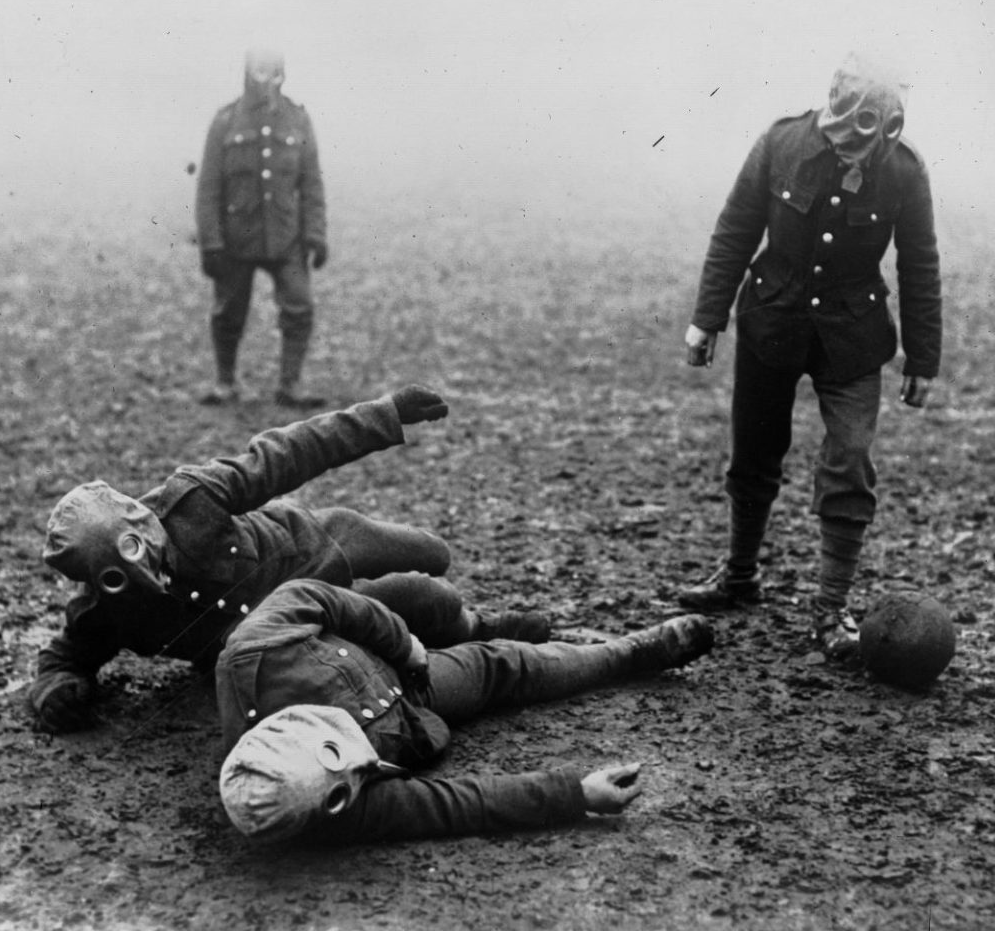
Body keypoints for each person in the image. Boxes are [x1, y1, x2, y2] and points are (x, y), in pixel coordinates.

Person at [678, 51, 943, 664]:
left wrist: (922, 358)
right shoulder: (781, 143)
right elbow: (736, 229)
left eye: (868, 141)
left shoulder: (904, 171)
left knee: (850, 459)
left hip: (854, 335)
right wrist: (706, 319)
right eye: (847, 136)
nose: (856, 152)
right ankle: (739, 576)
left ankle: (831, 610)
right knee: (753, 454)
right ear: (832, 116)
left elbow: (920, 263)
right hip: (773, 319)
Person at [28, 385, 463, 733]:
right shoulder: (104, 611)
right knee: (426, 599)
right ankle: (483, 628)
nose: (142, 574)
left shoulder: (191, 498)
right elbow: (63, 658)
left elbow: (289, 453)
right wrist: (58, 692)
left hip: (316, 544)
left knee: (433, 554)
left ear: (140, 518)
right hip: (304, 617)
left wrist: (383, 414)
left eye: (134, 548)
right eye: (114, 577)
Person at [216, 578, 715, 843]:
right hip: (408, 720)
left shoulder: (255, 650)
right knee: (497, 664)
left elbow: (313, 594)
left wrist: (404, 646)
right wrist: (573, 793)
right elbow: (449, 804)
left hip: (394, 666)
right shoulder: (324, 811)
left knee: (500, 662)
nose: (361, 772)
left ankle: (626, 653)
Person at [194, 48, 328, 409]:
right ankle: (225, 382)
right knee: (227, 312)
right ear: (246, 72)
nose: (265, 79)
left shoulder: (297, 121)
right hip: (237, 238)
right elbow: (208, 187)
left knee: (299, 307)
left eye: (273, 72)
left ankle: (291, 384)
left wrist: (315, 235)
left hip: (287, 238)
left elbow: (312, 182)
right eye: (258, 71)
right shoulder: (226, 121)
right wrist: (211, 243)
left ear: (283, 74)